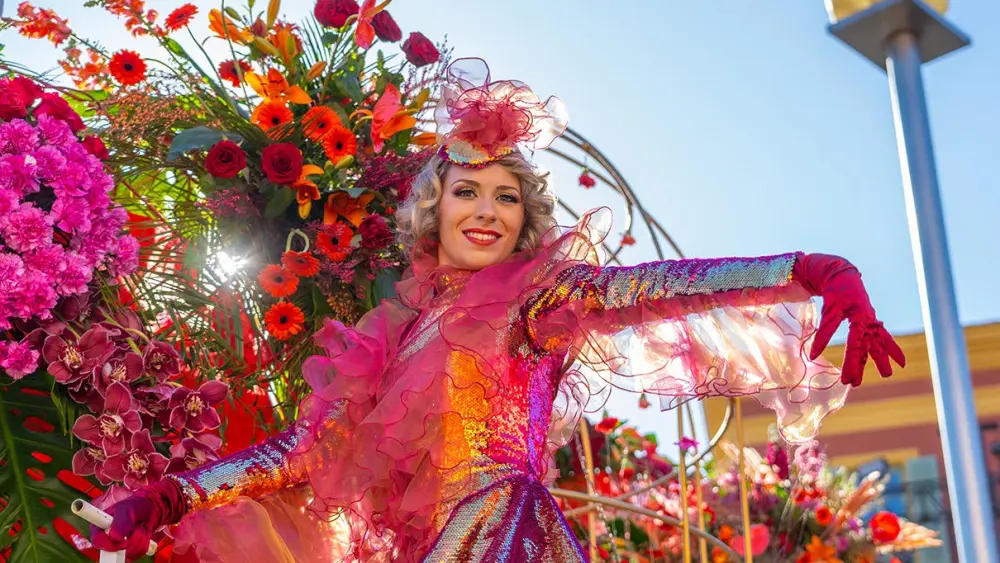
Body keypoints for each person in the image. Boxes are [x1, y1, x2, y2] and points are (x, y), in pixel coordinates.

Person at [92, 58, 904, 562]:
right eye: (467, 191)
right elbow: (302, 452)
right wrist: (174, 495)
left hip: (502, 533)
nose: (486, 210)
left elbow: (660, 286)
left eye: (507, 196)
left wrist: (803, 269)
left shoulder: (537, 301)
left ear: (525, 217)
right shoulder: (391, 340)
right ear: (433, 210)